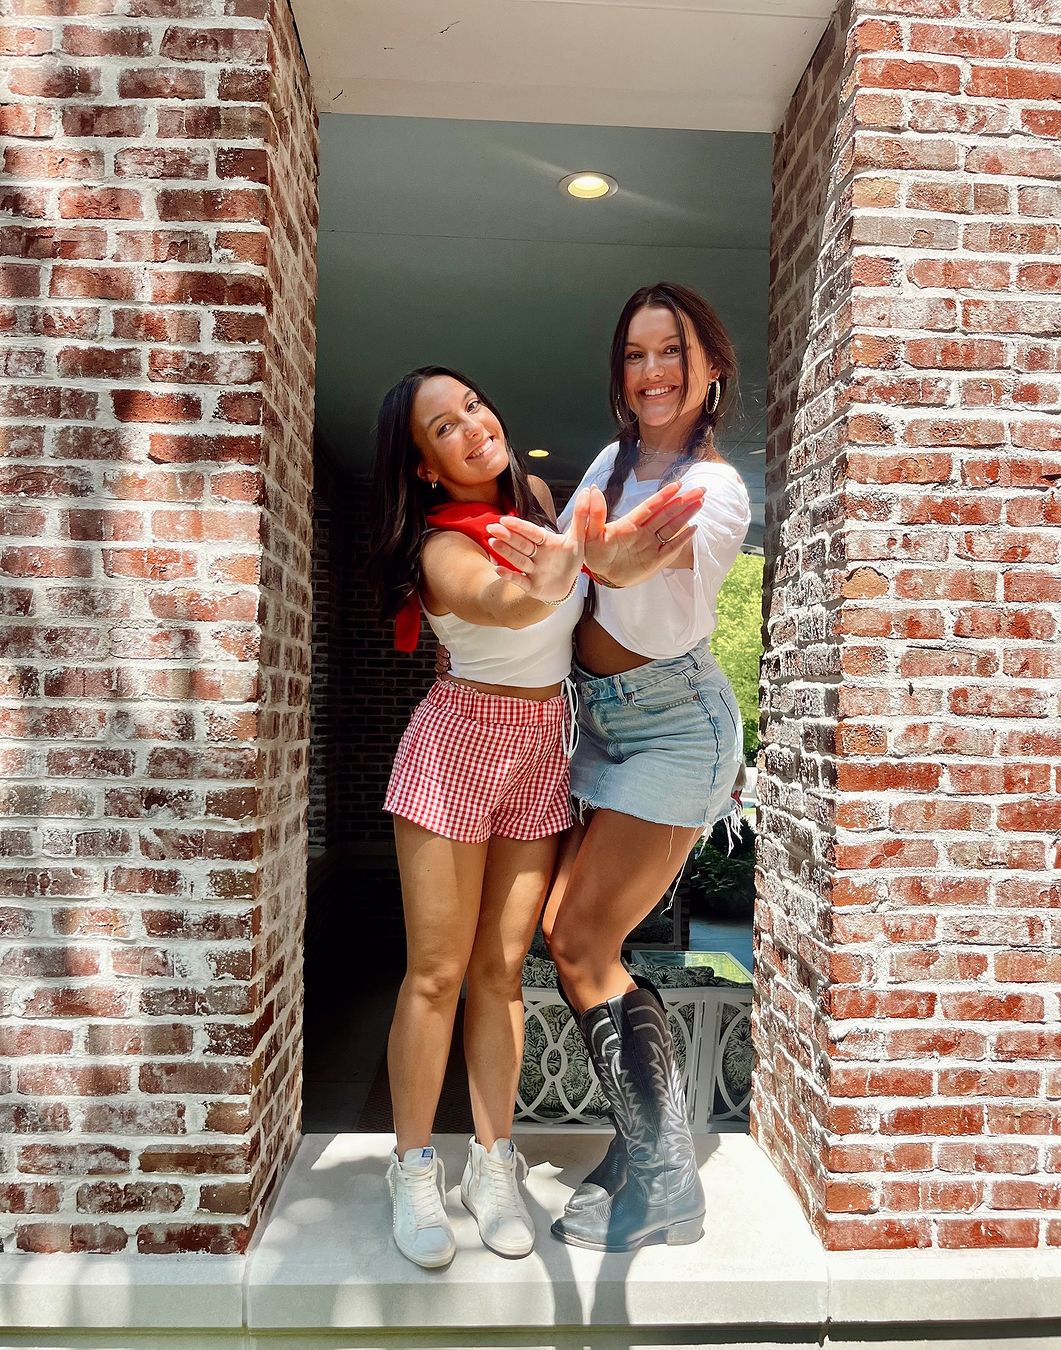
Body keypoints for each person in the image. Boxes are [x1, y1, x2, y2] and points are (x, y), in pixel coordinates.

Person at [368, 364, 701, 1269]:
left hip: (541, 746)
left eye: (473, 405)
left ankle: (492, 1166)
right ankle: (412, 1170)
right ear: (427, 465)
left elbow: (584, 590)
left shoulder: (542, 503)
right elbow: (502, 601)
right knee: (436, 974)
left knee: (502, 970)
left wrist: (603, 556)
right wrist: (555, 576)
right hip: (458, 746)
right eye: (444, 428)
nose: (473, 426)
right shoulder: (441, 546)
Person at [488, 282, 751, 1252]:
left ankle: (666, 1182)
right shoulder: (611, 461)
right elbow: (574, 572)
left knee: (579, 939)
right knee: (573, 940)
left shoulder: (717, 491)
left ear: (710, 365)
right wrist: (559, 558)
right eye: (636, 354)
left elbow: (640, 577)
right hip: (601, 723)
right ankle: (648, 1154)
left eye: (671, 350)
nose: (652, 371)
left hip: (675, 726)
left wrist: (610, 558)